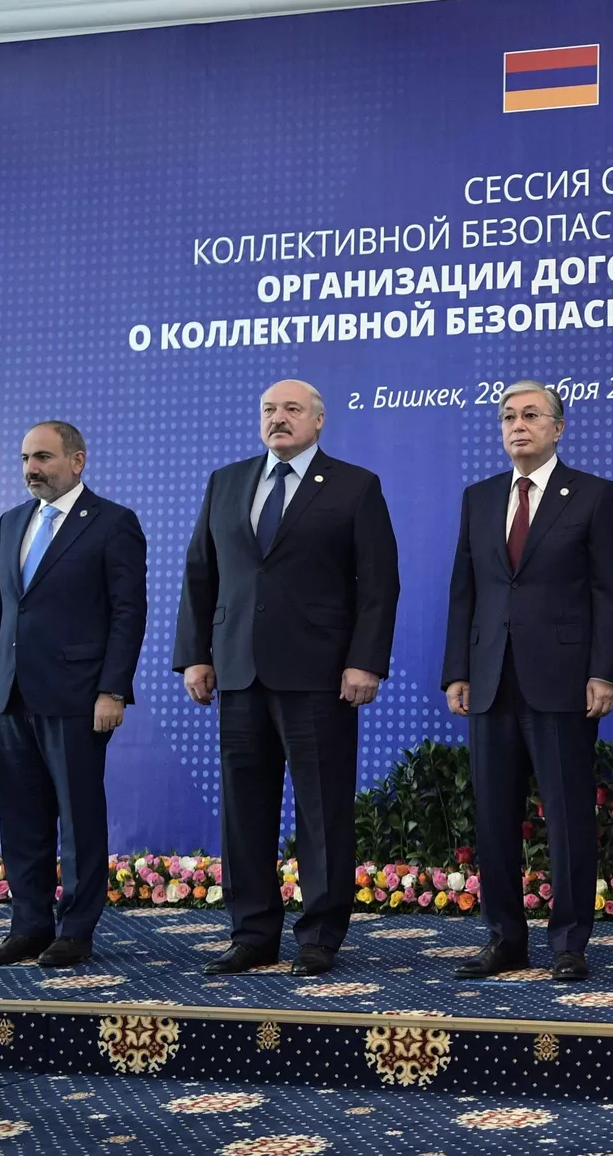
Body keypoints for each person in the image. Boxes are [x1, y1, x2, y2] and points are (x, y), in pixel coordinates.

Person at [175, 379, 400, 977]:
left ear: (318, 420)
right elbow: (200, 573)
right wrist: (195, 655)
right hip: (239, 670)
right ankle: (252, 934)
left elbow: (378, 583)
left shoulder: (355, 485)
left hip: (320, 674)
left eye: (292, 409)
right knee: (244, 810)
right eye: (269, 410)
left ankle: (320, 935)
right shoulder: (226, 481)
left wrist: (365, 660)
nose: (279, 418)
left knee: (322, 809)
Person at [442, 381, 613, 981]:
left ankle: (569, 943)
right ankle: (504, 939)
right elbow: (464, 591)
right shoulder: (479, 497)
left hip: (563, 679)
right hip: (491, 678)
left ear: (558, 427)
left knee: (568, 816)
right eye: (508, 417)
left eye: (530, 415)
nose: (517, 426)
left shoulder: (594, 495)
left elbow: (609, 593)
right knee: (494, 817)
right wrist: (457, 670)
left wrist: (603, 671)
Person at [0, 421, 146, 969]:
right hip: (13, 696)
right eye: (26, 458)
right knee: (21, 818)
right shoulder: (11, 522)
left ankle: (75, 930)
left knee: (78, 819)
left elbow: (128, 614)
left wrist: (112, 689)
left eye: (43, 457)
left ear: (77, 460)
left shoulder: (113, 523)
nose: (32, 469)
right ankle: (28, 927)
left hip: (78, 696)